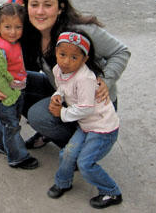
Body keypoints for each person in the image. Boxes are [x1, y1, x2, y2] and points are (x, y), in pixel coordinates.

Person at [0, 0, 130, 151]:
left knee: (37, 116)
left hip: (93, 101)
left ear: (60, 8)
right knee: (18, 82)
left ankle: (81, 147)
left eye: (48, 5)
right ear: (26, 7)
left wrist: (105, 81)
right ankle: (52, 131)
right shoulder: (29, 32)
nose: (40, 11)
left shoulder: (80, 32)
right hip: (63, 90)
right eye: (34, 5)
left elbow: (121, 51)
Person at [47, 31, 122, 209]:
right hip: (86, 125)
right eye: (62, 54)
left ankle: (112, 191)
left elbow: (86, 108)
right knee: (67, 153)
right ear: (55, 52)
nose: (66, 61)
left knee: (85, 163)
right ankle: (63, 182)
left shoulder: (85, 78)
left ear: (84, 59)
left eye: (74, 57)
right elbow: (63, 87)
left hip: (103, 128)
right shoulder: (58, 69)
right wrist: (57, 96)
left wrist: (62, 113)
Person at [0, 4, 39, 170]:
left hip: (17, 89)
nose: (13, 32)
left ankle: (1, 144)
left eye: (18, 27)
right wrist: (6, 93)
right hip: (5, 94)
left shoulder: (14, 42)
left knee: (8, 122)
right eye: (7, 27)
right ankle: (18, 157)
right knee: (12, 125)